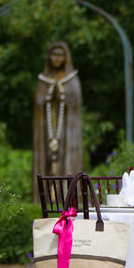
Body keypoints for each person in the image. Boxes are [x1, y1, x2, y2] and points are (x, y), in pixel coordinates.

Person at [33, 41, 83, 200]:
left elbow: (75, 104)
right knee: (47, 159)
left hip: (66, 130)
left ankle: (67, 196)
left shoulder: (71, 79)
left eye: (60, 55)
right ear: (49, 57)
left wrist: (64, 97)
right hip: (48, 128)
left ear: (65, 57)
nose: (56, 58)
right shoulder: (43, 80)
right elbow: (38, 103)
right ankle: (44, 197)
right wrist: (46, 98)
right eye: (54, 55)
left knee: (65, 159)